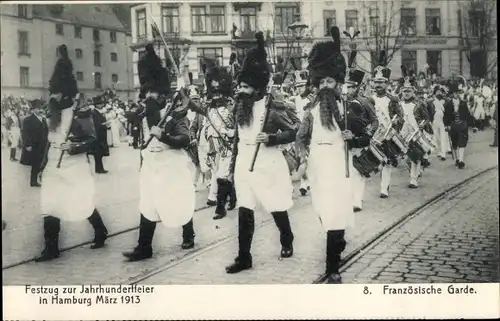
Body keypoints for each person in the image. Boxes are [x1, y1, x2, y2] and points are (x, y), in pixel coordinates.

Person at [213, 32, 299, 274]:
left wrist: (272, 138)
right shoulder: (239, 107)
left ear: (258, 88)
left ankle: (287, 238)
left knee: (275, 205)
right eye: (239, 86)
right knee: (245, 208)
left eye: (245, 87)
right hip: (244, 163)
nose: (240, 90)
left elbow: (295, 130)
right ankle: (244, 257)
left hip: (267, 161)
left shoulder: (273, 107)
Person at [296, 26, 376, 284]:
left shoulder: (348, 109)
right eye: (321, 82)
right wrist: (302, 155)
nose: (325, 86)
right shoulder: (310, 110)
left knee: (334, 214)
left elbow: (366, 136)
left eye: (329, 81)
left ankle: (332, 268)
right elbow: (301, 136)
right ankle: (338, 238)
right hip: (318, 169)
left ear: (338, 83)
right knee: (324, 212)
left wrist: (354, 139)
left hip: (341, 171)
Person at [123, 44, 195, 262]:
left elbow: (185, 139)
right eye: (147, 93)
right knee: (148, 203)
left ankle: (188, 233)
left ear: (163, 94)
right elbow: (136, 125)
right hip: (151, 164)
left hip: (171, 164)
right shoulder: (146, 110)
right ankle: (144, 247)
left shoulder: (174, 113)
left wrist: (164, 136)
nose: (149, 97)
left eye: (153, 93)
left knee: (177, 200)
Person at [36, 93, 109, 262]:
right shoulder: (51, 116)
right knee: (49, 204)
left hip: (75, 165)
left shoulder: (80, 115)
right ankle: (51, 248)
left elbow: (92, 140)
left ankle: (100, 231)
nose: (52, 98)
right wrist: (42, 166)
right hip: (53, 165)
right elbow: (48, 144)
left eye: (57, 94)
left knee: (81, 201)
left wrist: (73, 146)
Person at [371, 51, 404, 199]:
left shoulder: (393, 99)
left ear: (386, 83)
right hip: (373, 135)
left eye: (381, 82)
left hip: (388, 135)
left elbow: (401, 116)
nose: (378, 85)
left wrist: (396, 125)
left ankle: (384, 187)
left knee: (387, 162)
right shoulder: (369, 99)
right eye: (376, 82)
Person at [399, 78, 432, 188]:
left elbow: (427, 118)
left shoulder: (419, 104)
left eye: (409, 91)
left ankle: (413, 179)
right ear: (402, 93)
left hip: (415, 133)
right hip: (403, 133)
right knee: (407, 158)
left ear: (413, 92)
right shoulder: (399, 104)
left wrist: (422, 124)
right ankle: (415, 172)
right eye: (405, 91)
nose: (407, 94)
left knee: (415, 156)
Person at [21, 100, 49, 187]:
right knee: (35, 163)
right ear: (33, 110)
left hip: (43, 144)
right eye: (37, 108)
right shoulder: (28, 120)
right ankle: (33, 181)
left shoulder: (43, 119)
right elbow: (25, 133)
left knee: (42, 162)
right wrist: (27, 144)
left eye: (40, 108)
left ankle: (40, 178)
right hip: (34, 145)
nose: (39, 110)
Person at [444, 83, 470, 169]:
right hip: (453, 125)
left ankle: (461, 160)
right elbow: (446, 116)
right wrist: (446, 125)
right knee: (454, 143)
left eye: (458, 93)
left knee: (462, 142)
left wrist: (468, 123)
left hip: (462, 125)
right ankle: (456, 159)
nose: (457, 94)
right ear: (452, 94)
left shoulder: (463, 103)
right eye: (455, 93)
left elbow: (467, 114)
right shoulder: (448, 104)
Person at [90, 96, 110, 174]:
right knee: (98, 153)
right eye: (100, 104)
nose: (102, 105)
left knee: (99, 153)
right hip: (98, 135)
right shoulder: (95, 113)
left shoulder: (97, 112)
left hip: (101, 134)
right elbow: (97, 124)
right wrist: (104, 124)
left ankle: (99, 168)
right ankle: (99, 169)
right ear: (97, 105)